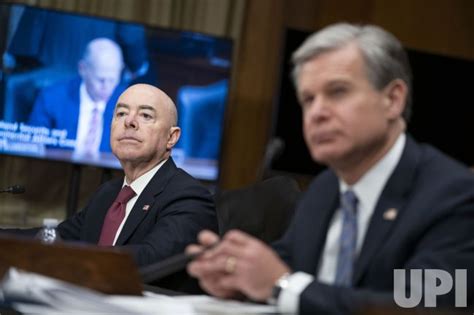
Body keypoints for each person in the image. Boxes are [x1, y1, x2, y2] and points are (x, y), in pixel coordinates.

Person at [186, 23, 474, 314]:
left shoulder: (454, 195)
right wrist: (236, 276)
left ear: (393, 99)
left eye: (337, 92)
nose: (317, 113)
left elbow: (427, 307)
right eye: (308, 99)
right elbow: (282, 266)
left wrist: (281, 285)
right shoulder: (325, 188)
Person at [8, 83, 218, 291]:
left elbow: (149, 259)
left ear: (171, 137)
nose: (129, 121)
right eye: (121, 113)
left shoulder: (189, 197)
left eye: (145, 115)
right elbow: (57, 237)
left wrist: (68, 258)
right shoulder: (108, 193)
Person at [27, 38, 126, 157]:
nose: (107, 87)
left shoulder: (128, 103)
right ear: (82, 69)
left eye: (112, 80)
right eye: (101, 80)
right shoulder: (51, 98)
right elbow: (31, 147)